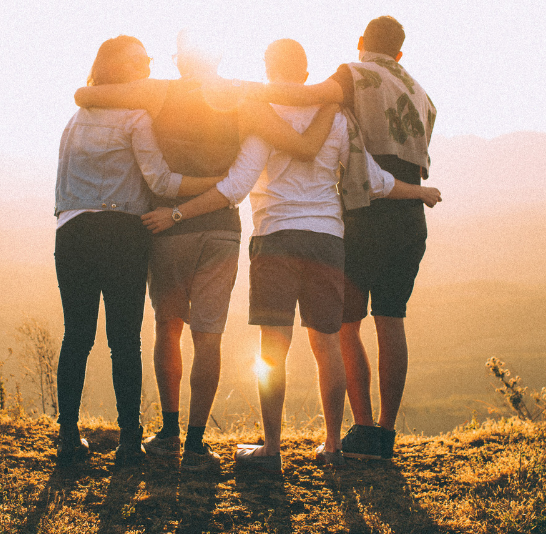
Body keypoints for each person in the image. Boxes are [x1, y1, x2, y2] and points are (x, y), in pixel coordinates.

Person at [142, 39, 440, 473]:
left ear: (267, 69)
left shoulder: (262, 115)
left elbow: (236, 186)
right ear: (305, 74)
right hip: (327, 241)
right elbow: (373, 180)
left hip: (275, 238)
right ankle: (333, 445)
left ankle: (272, 449)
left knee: (273, 350)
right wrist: (420, 192)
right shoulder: (337, 117)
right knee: (327, 345)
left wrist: (177, 212)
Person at [73, 30, 335, 471]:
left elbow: (86, 95)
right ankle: (196, 443)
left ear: (179, 61)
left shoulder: (157, 93)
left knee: (168, 326)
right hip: (221, 229)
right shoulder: (243, 98)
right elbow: (302, 146)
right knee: (208, 335)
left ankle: (168, 431)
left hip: (167, 226)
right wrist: (332, 101)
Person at [249, 17, 438, 460]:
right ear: (401, 53)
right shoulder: (422, 94)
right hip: (408, 214)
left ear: (360, 44)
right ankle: (384, 436)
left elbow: (308, 96)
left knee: (344, 327)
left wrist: (242, 92)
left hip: (364, 211)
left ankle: (361, 429)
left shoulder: (353, 75)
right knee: (392, 320)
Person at [53, 35, 224, 467]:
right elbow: (162, 184)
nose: (148, 65)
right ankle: (130, 440)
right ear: (120, 69)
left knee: (76, 337)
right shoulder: (135, 117)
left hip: (71, 231)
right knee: (124, 341)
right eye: (140, 60)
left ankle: (68, 438)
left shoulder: (75, 119)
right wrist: (217, 185)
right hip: (122, 233)